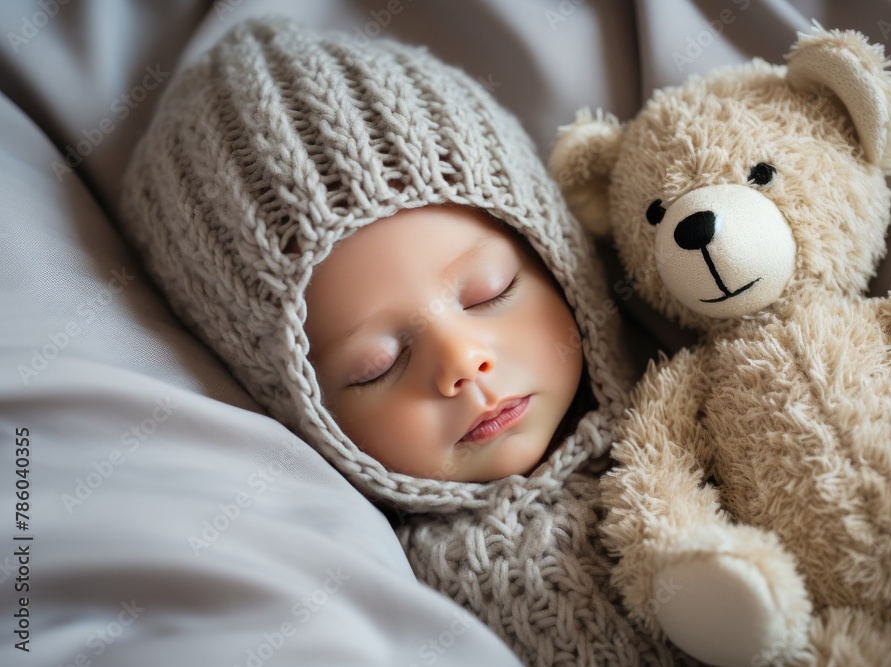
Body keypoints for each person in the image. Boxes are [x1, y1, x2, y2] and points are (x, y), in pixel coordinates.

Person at [119, 16, 681, 666]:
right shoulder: (403, 598)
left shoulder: (703, 395)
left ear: (559, 256)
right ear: (302, 412)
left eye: (489, 291)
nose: (464, 362)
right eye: (375, 365)